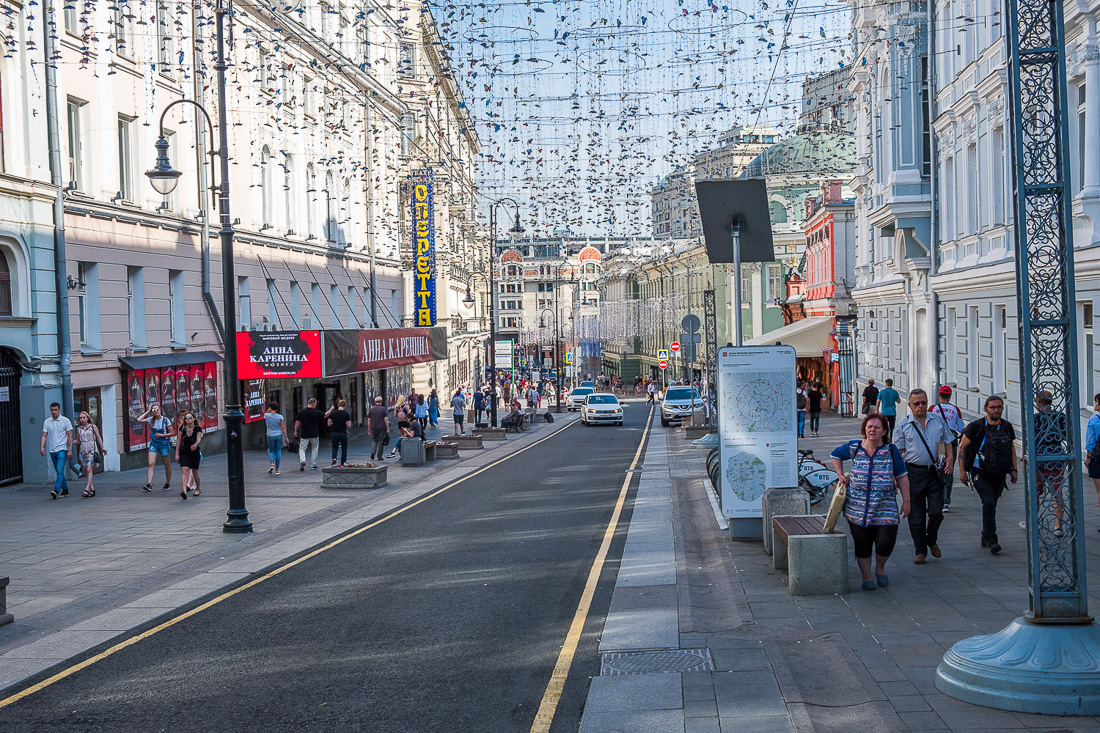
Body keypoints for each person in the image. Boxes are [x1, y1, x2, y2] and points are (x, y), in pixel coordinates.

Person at [830, 413, 911, 590]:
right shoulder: (855, 447)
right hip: (856, 508)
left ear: (884, 431)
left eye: (876, 427)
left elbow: (902, 477)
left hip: (885, 506)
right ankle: (866, 576)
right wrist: (840, 474)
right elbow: (835, 455)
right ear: (864, 429)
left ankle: (880, 568)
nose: (872, 429)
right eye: (869, 426)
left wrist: (907, 501)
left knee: (886, 541)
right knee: (862, 543)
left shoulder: (891, 451)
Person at [893, 389, 955, 564]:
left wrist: (950, 458)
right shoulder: (903, 425)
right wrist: (896, 476)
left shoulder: (937, 420)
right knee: (916, 514)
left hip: (934, 471)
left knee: (937, 512)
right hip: (912, 472)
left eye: (924, 402)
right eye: (917, 403)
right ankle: (920, 550)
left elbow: (948, 440)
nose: (921, 406)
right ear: (910, 405)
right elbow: (897, 453)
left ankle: (931, 539)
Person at [958, 395, 1018, 554]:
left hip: (999, 472)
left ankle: (985, 535)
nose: (996, 410)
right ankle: (992, 539)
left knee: (992, 504)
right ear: (986, 409)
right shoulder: (976, 427)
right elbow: (962, 447)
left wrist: (1014, 469)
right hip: (979, 472)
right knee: (989, 502)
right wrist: (962, 471)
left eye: (999, 407)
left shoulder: (1006, 426)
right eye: (993, 407)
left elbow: (1011, 448)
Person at [1031, 390, 1066, 533]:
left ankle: (1033, 522)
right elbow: (1066, 436)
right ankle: (1058, 525)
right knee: (1057, 493)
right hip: (1056, 460)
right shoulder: (1060, 417)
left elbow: (1030, 440)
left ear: (1037, 402)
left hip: (1039, 460)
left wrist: (1023, 458)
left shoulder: (1035, 418)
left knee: (1035, 493)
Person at [930, 386, 965, 512]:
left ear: (939, 395)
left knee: (936, 469)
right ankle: (945, 501)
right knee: (948, 469)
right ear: (950, 396)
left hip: (937, 440)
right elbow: (961, 428)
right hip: (951, 440)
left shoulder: (933, 409)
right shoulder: (955, 410)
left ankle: (935, 498)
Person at [138, 404, 176, 492]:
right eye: (153, 410)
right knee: (151, 463)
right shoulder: (151, 419)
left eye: (157, 409)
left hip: (164, 443)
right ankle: (149, 484)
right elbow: (139, 419)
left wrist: (162, 435)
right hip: (154, 443)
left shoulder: (166, 420)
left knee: (167, 464)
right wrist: (147, 411)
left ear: (160, 410)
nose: (156, 411)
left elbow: (172, 433)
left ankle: (167, 483)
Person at [41, 402, 74, 499]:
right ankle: (65, 489)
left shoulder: (65, 421)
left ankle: (56, 490)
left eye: (55, 410)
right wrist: (42, 447)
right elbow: (44, 435)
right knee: (59, 471)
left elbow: (70, 435)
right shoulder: (47, 421)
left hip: (62, 449)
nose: (54, 412)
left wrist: (70, 450)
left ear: (59, 410)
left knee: (60, 470)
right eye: (52, 410)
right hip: (52, 450)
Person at [74, 411, 104, 498]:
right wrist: (71, 442)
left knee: (88, 470)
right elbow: (78, 440)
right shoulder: (79, 429)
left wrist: (102, 448)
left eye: (84, 418)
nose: (82, 419)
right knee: (88, 471)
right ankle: (92, 489)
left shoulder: (92, 427)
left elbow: (98, 437)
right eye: (81, 418)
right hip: (83, 451)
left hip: (91, 450)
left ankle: (87, 489)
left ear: (87, 418)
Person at [175, 411, 203, 499]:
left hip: (194, 452)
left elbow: (198, 439)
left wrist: (195, 445)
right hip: (184, 452)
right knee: (184, 470)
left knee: (195, 472)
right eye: (186, 418)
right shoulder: (182, 428)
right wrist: (176, 454)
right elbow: (178, 441)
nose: (188, 419)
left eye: (190, 418)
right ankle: (184, 492)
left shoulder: (197, 428)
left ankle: (198, 489)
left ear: (194, 419)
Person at [294, 398, 325, 471]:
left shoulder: (302, 412)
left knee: (302, 448)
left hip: (304, 433)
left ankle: (303, 461)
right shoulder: (316, 412)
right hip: (314, 433)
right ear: (314, 404)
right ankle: (313, 464)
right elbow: (325, 415)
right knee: (315, 448)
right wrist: (331, 409)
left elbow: (297, 422)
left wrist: (295, 431)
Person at [1084, 394, 1100, 519]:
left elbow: (1091, 441)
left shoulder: (1094, 420)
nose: (1094, 404)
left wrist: (1088, 457)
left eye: (1095, 402)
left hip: (1097, 459)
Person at [264, 402, 289, 474]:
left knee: (271, 451)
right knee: (278, 451)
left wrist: (268, 410)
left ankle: (272, 463)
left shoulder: (266, 415)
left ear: (270, 407)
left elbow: (266, 413)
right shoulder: (280, 417)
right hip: (279, 435)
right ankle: (277, 469)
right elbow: (283, 427)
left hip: (270, 435)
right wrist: (286, 437)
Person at [328, 399, 352, 467]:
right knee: (344, 448)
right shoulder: (346, 414)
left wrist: (333, 423)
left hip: (334, 432)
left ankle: (334, 458)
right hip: (343, 432)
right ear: (345, 405)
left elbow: (329, 423)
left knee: (334, 447)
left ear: (338, 405)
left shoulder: (333, 413)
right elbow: (349, 425)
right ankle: (342, 462)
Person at [368, 396, 390, 461]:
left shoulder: (371, 409)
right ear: (381, 402)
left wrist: (369, 428)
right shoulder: (383, 409)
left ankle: (373, 451)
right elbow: (386, 419)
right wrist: (388, 428)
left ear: (375, 402)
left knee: (374, 440)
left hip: (373, 427)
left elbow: (369, 420)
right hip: (382, 427)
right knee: (380, 441)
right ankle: (379, 456)